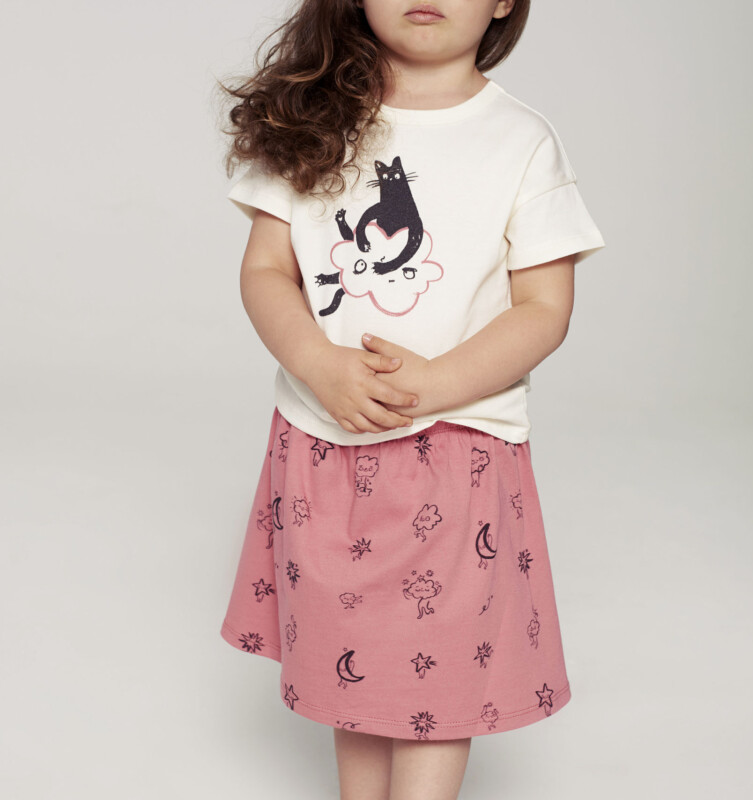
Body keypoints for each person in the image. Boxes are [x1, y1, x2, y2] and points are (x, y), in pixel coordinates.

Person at [217, 1, 605, 798]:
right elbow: (265, 270)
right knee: (355, 652)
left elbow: (545, 309)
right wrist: (317, 363)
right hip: (324, 442)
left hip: (457, 450)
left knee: (441, 671)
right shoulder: (314, 117)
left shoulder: (522, 141)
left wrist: (435, 385)